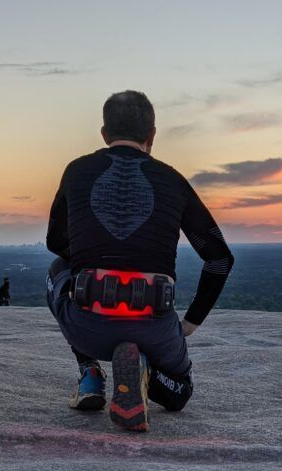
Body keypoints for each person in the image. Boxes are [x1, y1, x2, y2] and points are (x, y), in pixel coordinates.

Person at [45, 90, 234, 432]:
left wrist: (95, 262)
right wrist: (190, 323)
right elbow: (219, 258)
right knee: (180, 395)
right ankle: (146, 369)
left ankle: (89, 371)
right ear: (152, 136)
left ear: (104, 134)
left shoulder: (77, 172)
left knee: (57, 271)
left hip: (89, 326)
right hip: (154, 326)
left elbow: (55, 243)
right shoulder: (172, 180)